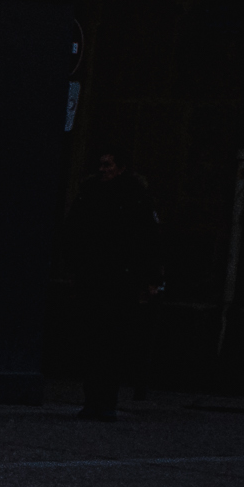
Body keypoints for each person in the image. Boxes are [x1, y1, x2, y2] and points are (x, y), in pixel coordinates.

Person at [64, 151, 164, 421]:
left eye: (108, 165)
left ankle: (105, 400)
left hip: (120, 277)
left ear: (120, 168)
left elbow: (147, 240)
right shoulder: (91, 192)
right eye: (101, 165)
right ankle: (93, 399)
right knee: (93, 340)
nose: (103, 170)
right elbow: (75, 230)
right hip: (94, 275)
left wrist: (150, 279)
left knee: (111, 340)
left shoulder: (134, 196)